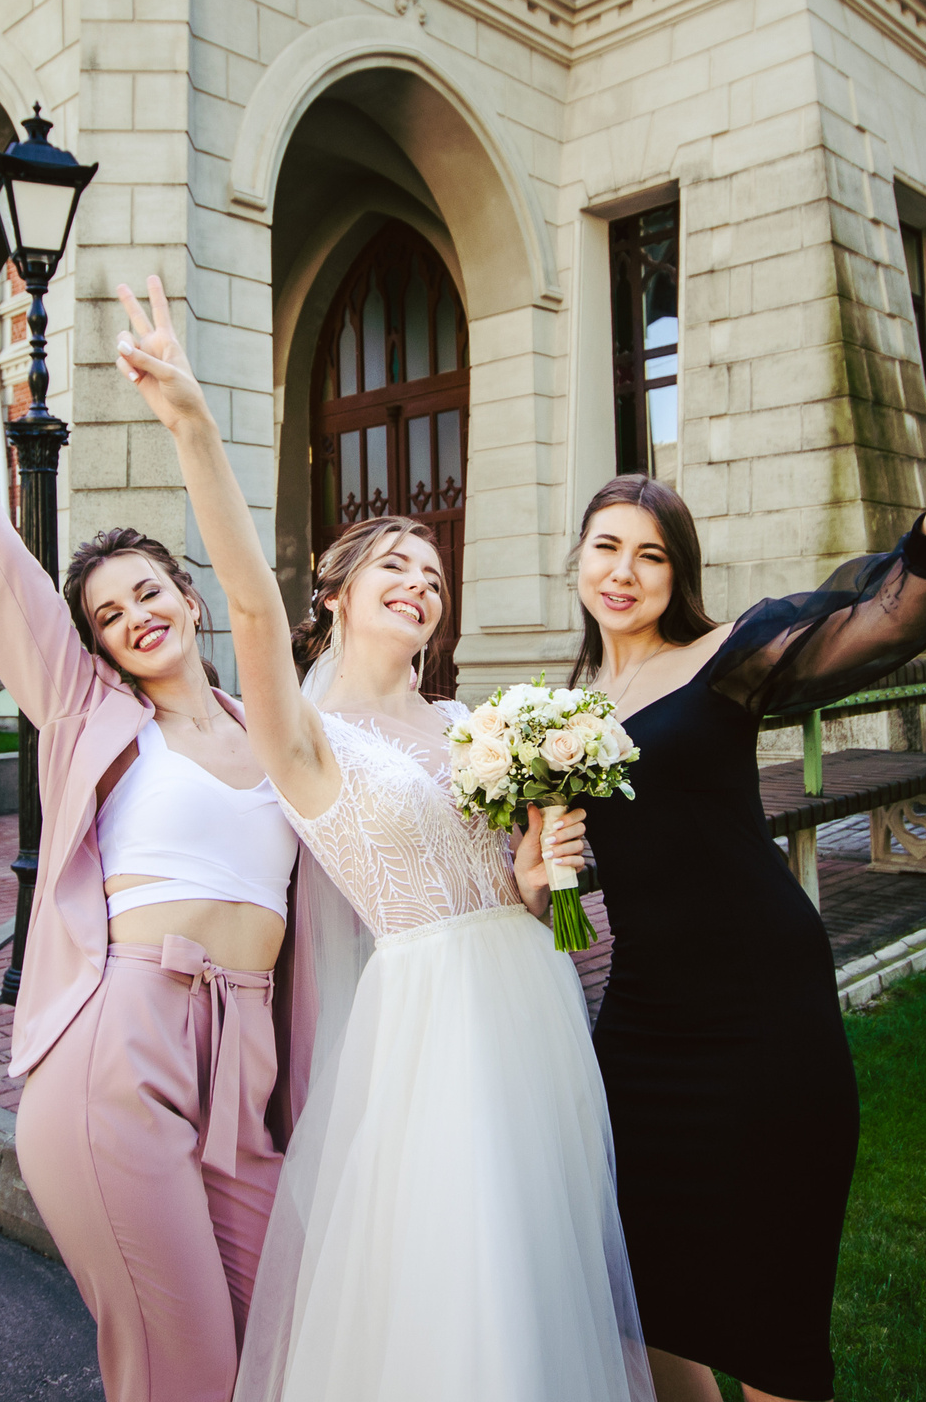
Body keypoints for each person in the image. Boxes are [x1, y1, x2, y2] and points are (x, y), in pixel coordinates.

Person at [111, 277, 652, 1402]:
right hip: (434, 1023)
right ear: (342, 596)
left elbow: (527, 895)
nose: (419, 582)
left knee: (542, 1259)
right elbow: (250, 610)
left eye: (434, 574)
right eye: (394, 567)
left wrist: (545, 870)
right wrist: (194, 426)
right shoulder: (305, 741)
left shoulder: (473, 728)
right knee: (462, 1281)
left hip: (529, 1000)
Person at [0, 322, 344, 1402]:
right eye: (108, 612)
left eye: (150, 591)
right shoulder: (89, 715)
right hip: (118, 1046)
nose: (136, 616)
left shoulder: (275, 727)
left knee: (288, 1336)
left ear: (189, 594)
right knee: (182, 1373)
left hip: (245, 1059)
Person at [570, 340, 926, 1402]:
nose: (623, 573)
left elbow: (889, 616)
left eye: (649, 554)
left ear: (676, 573)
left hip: (761, 1014)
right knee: (642, 1301)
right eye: (605, 548)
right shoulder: (560, 712)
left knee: (771, 1317)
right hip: (639, 1029)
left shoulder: (732, 656)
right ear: (579, 561)